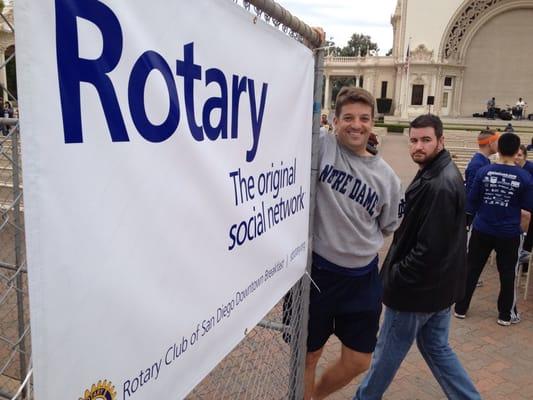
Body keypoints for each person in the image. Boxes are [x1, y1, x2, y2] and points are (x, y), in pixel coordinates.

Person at [353, 114, 481, 400]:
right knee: (437, 348)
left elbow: (428, 251)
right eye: (413, 140)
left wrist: (394, 279)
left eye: (425, 140)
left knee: (385, 356)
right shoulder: (438, 171)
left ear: (440, 141)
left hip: (415, 292)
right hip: (439, 289)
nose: (418, 146)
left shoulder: (439, 183)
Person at [305, 87, 404, 400]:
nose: (355, 124)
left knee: (359, 359)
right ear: (335, 120)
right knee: (307, 355)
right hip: (317, 272)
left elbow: (389, 224)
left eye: (363, 118)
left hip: (361, 277)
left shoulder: (387, 178)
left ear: (373, 122)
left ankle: (316, 394)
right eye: (348, 117)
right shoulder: (322, 145)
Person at [455, 133, 533, 326]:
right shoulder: (525, 177)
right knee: (507, 273)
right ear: (517, 152)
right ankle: (505, 315)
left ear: (498, 149)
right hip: (509, 233)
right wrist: (521, 232)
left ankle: (460, 308)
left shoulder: (484, 172)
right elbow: (526, 212)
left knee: (472, 268)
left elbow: (471, 203)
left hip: (482, 228)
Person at [515, 145, 533, 268]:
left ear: (525, 156)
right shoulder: (513, 168)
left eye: (520, 155)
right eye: (515, 154)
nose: (517, 158)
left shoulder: (530, 168)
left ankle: (525, 260)